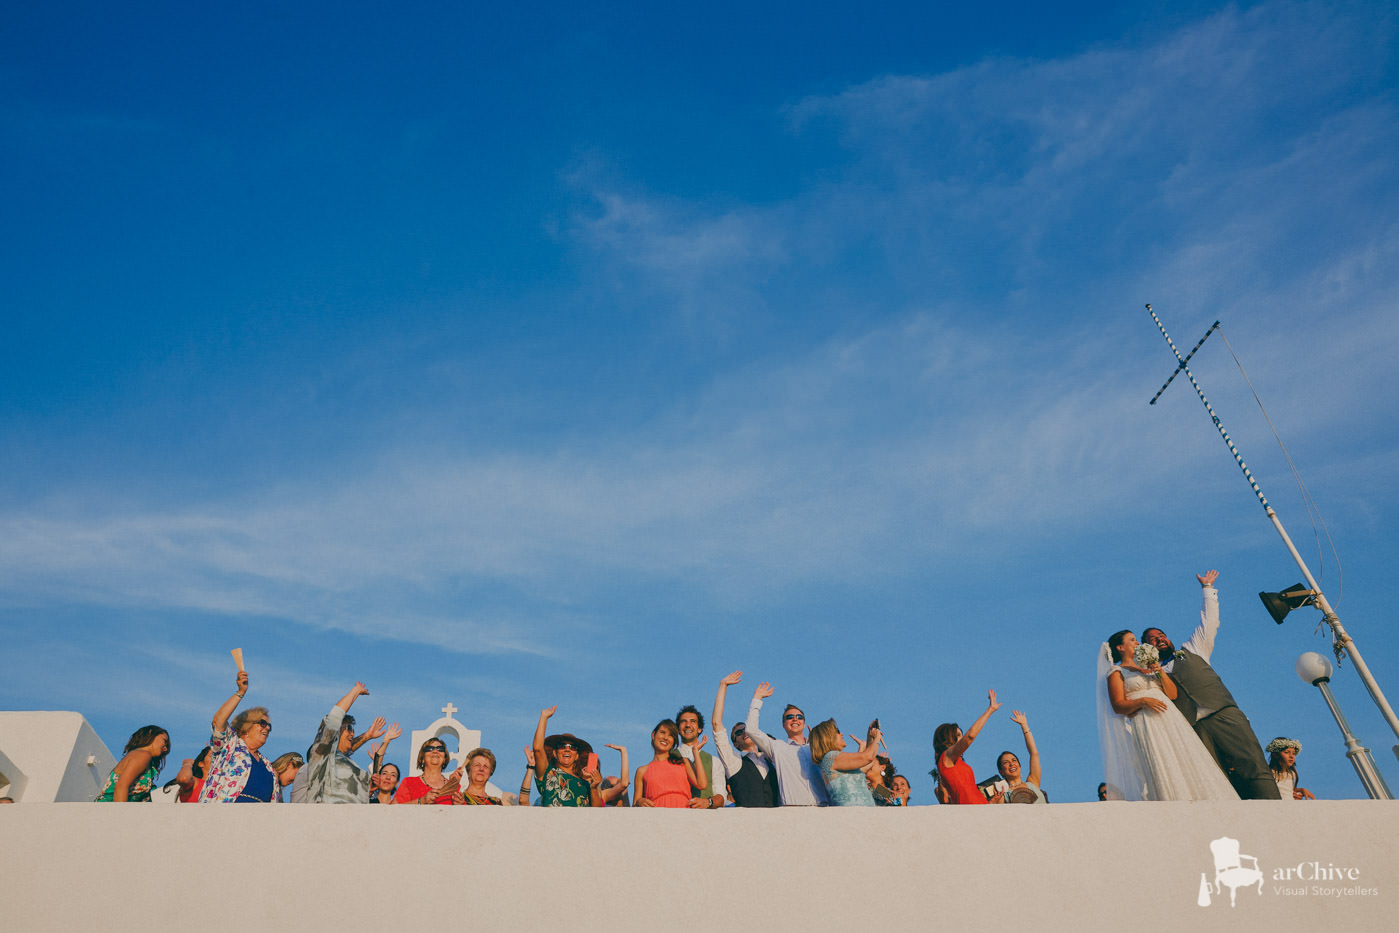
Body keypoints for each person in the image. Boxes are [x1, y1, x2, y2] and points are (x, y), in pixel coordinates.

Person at [1141, 570, 1280, 799]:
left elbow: (1210, 621)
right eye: (1153, 639)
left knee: (1252, 762)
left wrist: (1207, 590)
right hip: (1193, 728)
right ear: (1148, 648)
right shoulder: (1152, 675)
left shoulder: (1193, 648)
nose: (1160, 639)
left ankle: (1276, 809)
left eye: (1162, 635)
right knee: (1213, 777)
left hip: (1223, 713)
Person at [1098, 629, 1238, 801]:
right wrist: (1143, 701)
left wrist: (1159, 671)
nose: (1137, 643)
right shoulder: (1116, 672)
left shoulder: (1147, 667)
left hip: (1170, 718)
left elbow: (1172, 694)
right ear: (1120, 647)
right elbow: (1118, 705)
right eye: (1132, 640)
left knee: (1184, 755)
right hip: (1146, 722)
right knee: (1162, 760)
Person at [303, 682, 389, 804]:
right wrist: (355, 691)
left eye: (353, 730)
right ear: (337, 731)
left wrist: (370, 788)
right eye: (348, 729)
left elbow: (347, 750)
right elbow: (333, 718)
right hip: (324, 818)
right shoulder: (323, 755)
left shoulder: (348, 762)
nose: (352, 733)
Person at [745, 682, 829, 806]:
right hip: (792, 811)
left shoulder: (816, 748)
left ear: (804, 724)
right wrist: (757, 699)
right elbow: (751, 730)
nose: (795, 719)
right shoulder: (778, 747)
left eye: (799, 717)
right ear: (784, 725)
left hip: (823, 809)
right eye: (790, 717)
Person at [200, 671, 279, 803]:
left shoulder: (267, 765)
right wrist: (240, 692)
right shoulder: (230, 745)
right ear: (246, 726)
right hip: (227, 817)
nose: (267, 728)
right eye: (263, 724)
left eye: (269, 726)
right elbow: (218, 722)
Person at [711, 671, 777, 807]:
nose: (744, 732)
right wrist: (723, 686)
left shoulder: (771, 759)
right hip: (746, 825)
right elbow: (717, 724)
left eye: (746, 729)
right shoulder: (734, 762)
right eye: (739, 732)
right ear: (735, 744)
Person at [933, 690, 1004, 804]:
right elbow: (970, 737)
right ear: (948, 738)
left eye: (961, 735)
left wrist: (992, 802)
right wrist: (990, 710)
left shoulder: (960, 763)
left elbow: (970, 794)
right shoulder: (946, 758)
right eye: (958, 735)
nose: (962, 739)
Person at [531, 706, 603, 807]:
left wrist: (594, 788)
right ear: (555, 753)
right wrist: (544, 717)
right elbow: (538, 749)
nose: (567, 749)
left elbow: (598, 813)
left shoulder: (585, 783)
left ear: (577, 756)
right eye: (562, 746)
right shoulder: (547, 772)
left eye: (572, 747)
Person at [810, 718, 882, 806]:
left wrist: (871, 736)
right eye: (838, 731)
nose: (841, 734)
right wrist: (877, 738)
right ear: (828, 736)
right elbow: (868, 757)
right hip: (852, 815)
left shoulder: (833, 759)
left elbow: (867, 762)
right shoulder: (831, 757)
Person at [634, 719, 706, 807]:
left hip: (683, 815)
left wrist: (695, 752)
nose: (665, 738)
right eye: (662, 732)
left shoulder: (683, 762)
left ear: (674, 742)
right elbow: (634, 805)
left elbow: (702, 784)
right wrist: (639, 801)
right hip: (655, 817)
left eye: (671, 735)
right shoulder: (642, 771)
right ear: (653, 735)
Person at [95, 726, 170, 802]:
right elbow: (121, 786)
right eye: (164, 741)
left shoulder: (140, 756)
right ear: (151, 732)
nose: (165, 748)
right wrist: (121, 813)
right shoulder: (143, 755)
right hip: (113, 811)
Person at [676, 703, 726, 809]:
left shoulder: (714, 761)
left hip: (705, 821)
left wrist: (708, 802)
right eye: (683, 721)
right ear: (678, 729)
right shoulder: (667, 757)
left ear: (700, 729)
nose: (688, 725)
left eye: (693, 721)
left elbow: (721, 798)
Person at [996, 710, 1046, 804]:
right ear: (1001, 771)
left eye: (1014, 760)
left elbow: (1034, 753)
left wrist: (1024, 726)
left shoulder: (1032, 782)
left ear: (1019, 765)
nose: (1011, 764)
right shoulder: (1003, 793)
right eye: (1006, 762)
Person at [395, 738, 461, 805]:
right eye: (429, 748)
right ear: (422, 759)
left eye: (440, 749)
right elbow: (393, 810)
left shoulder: (453, 787)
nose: (435, 751)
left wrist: (460, 805)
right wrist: (421, 801)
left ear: (444, 759)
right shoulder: (409, 783)